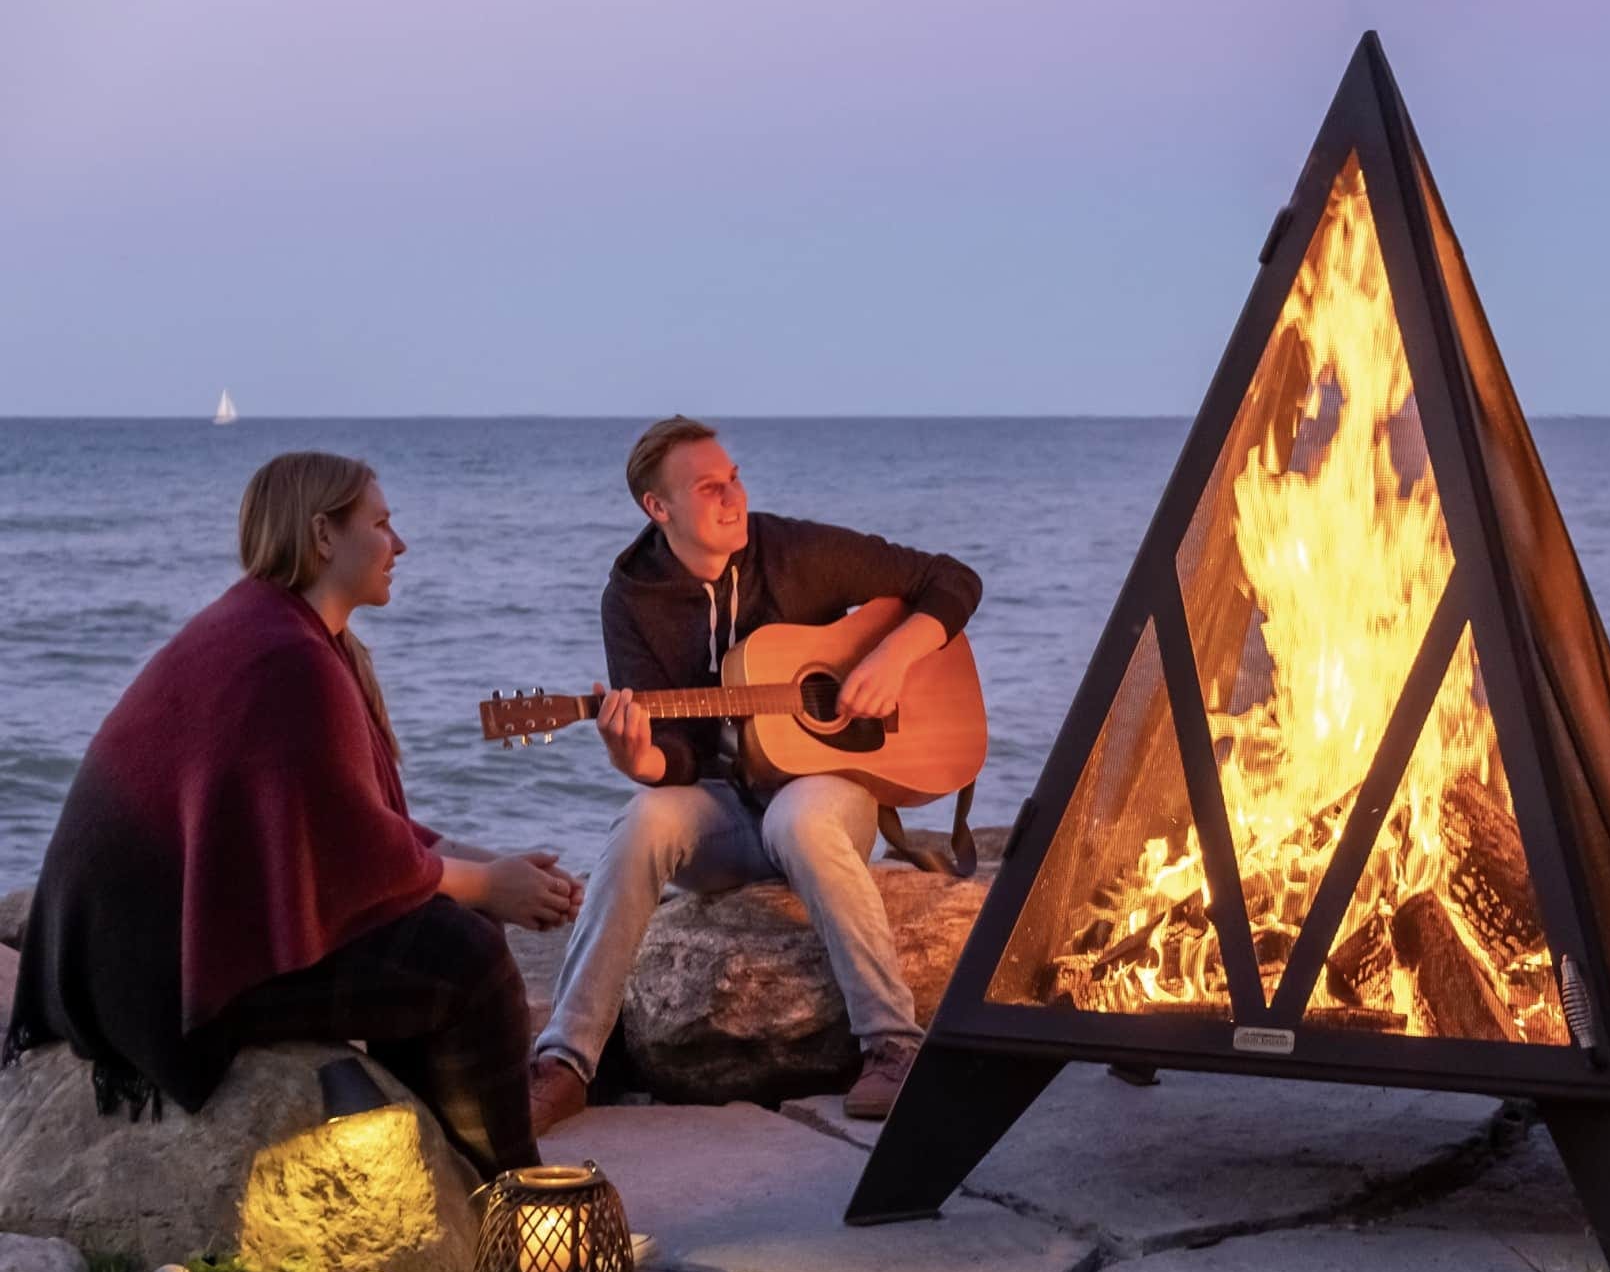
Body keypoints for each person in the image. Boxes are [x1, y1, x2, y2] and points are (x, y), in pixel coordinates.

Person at [3, 452, 583, 1178]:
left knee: (440, 936)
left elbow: (335, 820)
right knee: (466, 961)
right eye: (380, 523)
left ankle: (456, 1173)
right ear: (322, 537)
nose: (398, 545)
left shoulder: (279, 629)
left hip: (148, 956)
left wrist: (484, 865)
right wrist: (484, 883)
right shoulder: (285, 656)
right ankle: (517, 1199)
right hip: (158, 981)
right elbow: (359, 857)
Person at [528, 416, 981, 1130]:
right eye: (710, 488)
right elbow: (672, 757)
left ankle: (893, 1045)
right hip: (724, 816)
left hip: (820, 797)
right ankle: (563, 1062)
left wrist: (889, 661)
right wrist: (636, 758)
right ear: (659, 507)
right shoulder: (631, 599)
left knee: (800, 818)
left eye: (734, 478)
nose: (734, 497)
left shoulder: (793, 551)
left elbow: (949, 579)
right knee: (643, 819)